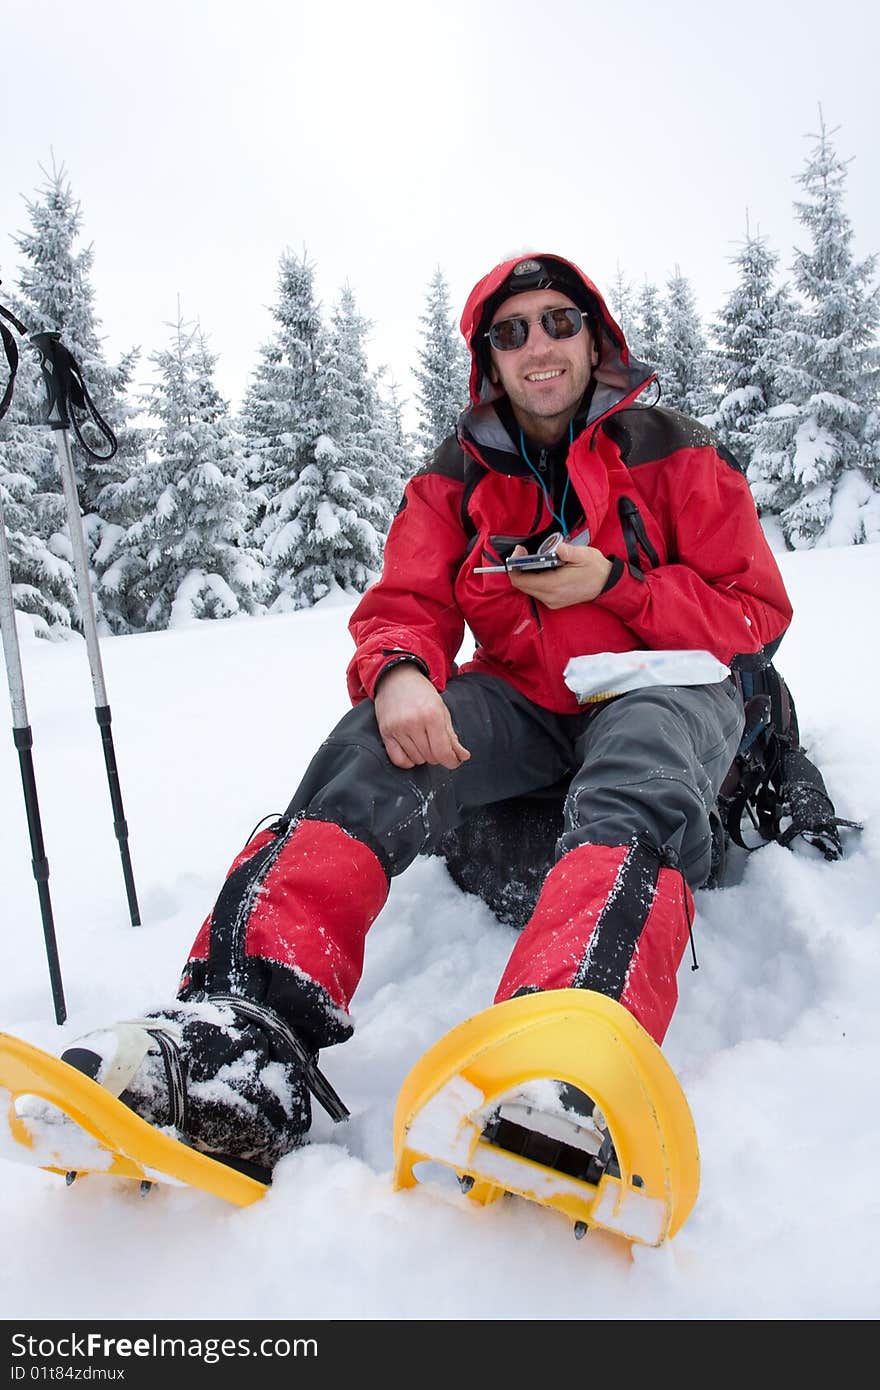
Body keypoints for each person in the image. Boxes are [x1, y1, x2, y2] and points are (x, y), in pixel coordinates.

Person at [60, 252, 793, 1181]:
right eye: (512, 330)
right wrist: (401, 669)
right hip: (525, 697)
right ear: (488, 358)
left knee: (641, 767)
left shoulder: (672, 449)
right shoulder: (455, 474)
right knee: (373, 746)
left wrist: (615, 583)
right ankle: (241, 1032)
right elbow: (406, 600)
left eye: (559, 321)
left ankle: (570, 1042)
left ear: (594, 337)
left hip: (663, 684)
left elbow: (754, 611)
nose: (539, 345)